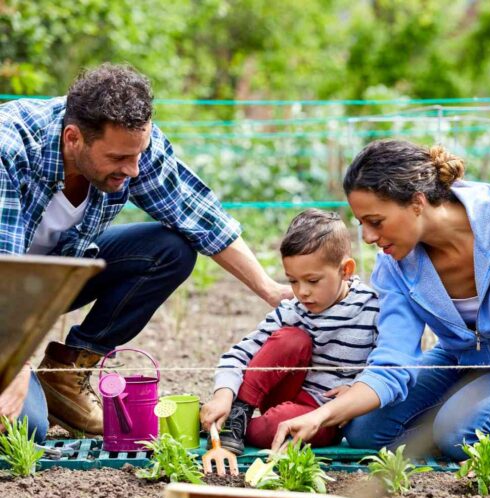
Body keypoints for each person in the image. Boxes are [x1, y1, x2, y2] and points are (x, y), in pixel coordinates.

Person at [0, 64, 291, 440]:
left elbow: (199, 216)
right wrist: (15, 366)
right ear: (74, 139)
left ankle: (64, 378)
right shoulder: (10, 149)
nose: (134, 169)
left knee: (170, 249)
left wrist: (269, 289)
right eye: (119, 159)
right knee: (24, 431)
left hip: (49, 281)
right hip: (8, 291)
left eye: (137, 154)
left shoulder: (132, 145)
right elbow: (5, 277)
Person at [271, 139, 490, 462]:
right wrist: (323, 415)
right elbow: (394, 359)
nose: (366, 237)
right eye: (361, 223)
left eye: (375, 222)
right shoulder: (394, 264)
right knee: (364, 430)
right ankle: (460, 413)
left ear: (417, 203)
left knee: (460, 435)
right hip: (463, 360)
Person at [200, 209, 379, 453]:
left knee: (276, 426)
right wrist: (223, 395)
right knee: (292, 339)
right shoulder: (293, 310)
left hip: (324, 415)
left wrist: (357, 388)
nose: (302, 292)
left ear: (345, 270)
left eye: (312, 281)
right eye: (293, 281)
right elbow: (239, 355)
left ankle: (231, 427)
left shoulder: (372, 308)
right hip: (284, 392)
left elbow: (386, 364)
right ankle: (236, 415)